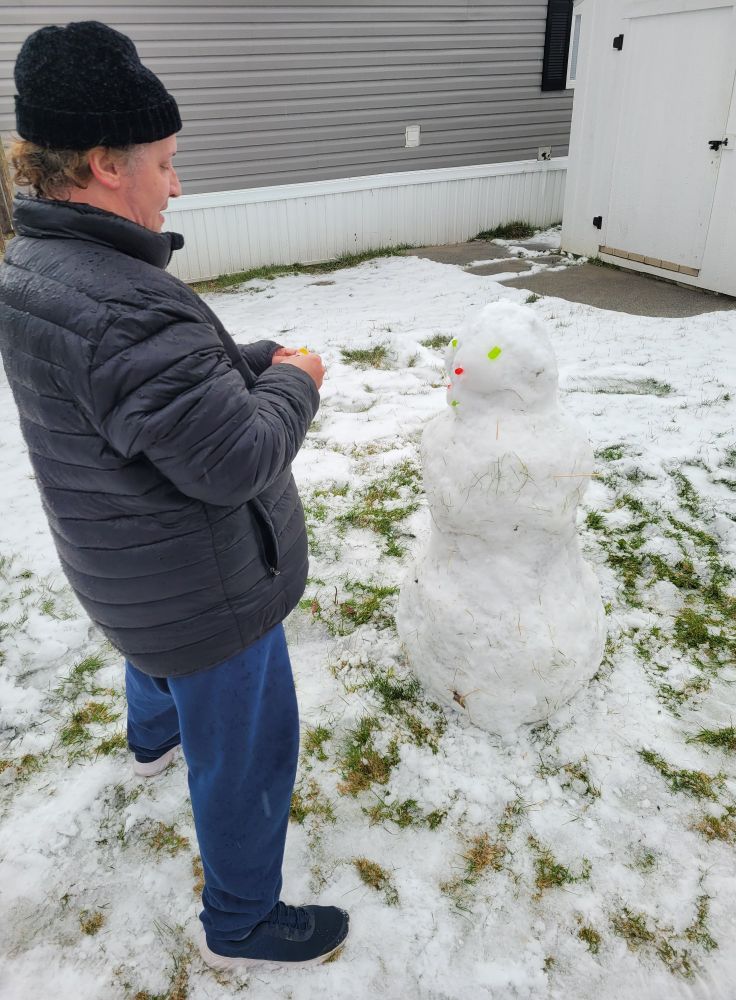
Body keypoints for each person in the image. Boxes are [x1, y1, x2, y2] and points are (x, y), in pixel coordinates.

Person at [0, 20, 349, 971]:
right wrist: (299, 377)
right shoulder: (121, 297)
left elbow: (129, 393)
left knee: (152, 657)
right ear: (107, 167)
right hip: (209, 595)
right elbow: (235, 459)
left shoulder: (34, 266)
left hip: (126, 571)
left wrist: (234, 360)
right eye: (166, 160)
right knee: (247, 754)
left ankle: (152, 741)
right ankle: (242, 922)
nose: (177, 181)